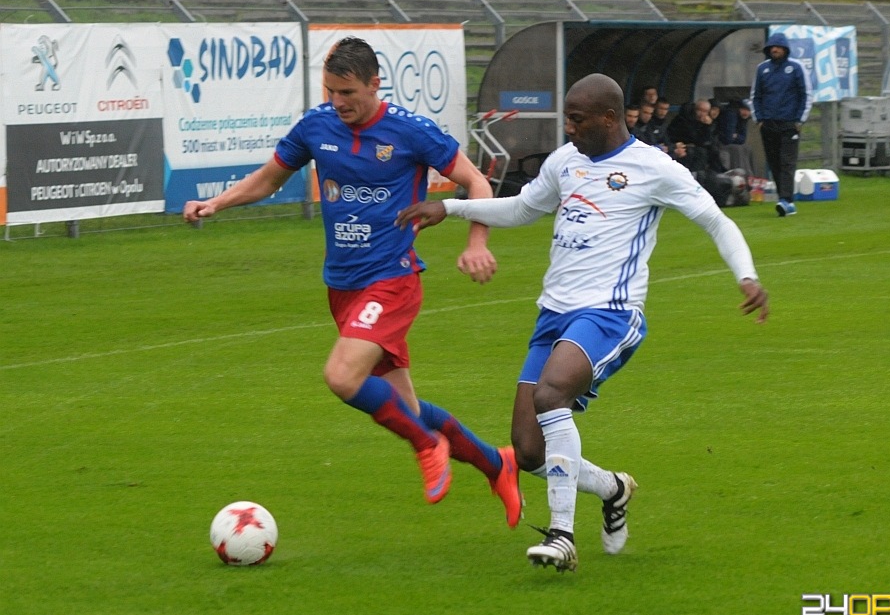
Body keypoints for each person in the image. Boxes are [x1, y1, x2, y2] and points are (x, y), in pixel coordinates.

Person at [396, 73, 769, 572]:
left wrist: (747, 277)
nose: (568, 128)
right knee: (529, 450)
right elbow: (523, 208)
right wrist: (450, 206)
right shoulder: (564, 162)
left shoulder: (654, 168)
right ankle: (613, 488)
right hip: (554, 313)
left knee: (552, 394)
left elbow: (716, 221)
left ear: (609, 118)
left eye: (576, 119)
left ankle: (562, 536)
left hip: (610, 313)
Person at [181, 37, 523, 528]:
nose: (338, 102)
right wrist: (217, 202)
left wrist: (476, 242)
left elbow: (477, 182)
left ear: (374, 84)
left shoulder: (410, 131)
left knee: (342, 377)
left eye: (348, 92)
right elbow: (269, 178)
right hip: (343, 287)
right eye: (331, 91)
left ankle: (427, 446)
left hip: (392, 280)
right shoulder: (316, 126)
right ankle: (497, 464)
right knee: (406, 407)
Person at [750, 32, 812, 217]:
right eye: (772, 47)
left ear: (785, 49)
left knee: (787, 162)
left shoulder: (796, 67)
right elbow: (755, 96)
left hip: (789, 124)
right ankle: (784, 199)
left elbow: (806, 94)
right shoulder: (762, 69)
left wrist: (799, 120)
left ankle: (786, 200)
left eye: (778, 47)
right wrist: (759, 119)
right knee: (774, 163)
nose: (774, 50)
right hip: (768, 124)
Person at [716, 99, 755, 175]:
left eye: (749, 111)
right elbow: (728, 138)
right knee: (738, 149)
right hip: (720, 143)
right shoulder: (731, 114)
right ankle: (739, 175)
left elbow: (743, 139)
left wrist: (735, 136)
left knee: (747, 148)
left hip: (731, 143)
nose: (746, 113)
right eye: (744, 109)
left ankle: (749, 175)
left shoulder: (744, 119)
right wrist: (735, 136)